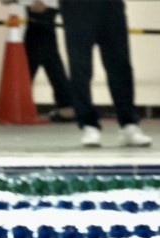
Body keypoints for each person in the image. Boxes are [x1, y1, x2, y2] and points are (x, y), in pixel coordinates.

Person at [58, 0, 151, 148]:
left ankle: (128, 123)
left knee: (120, 65)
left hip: (110, 5)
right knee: (80, 67)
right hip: (76, 7)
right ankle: (89, 124)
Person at [14, 0, 74, 122]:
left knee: (35, 70)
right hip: (42, 31)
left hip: (40, 32)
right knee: (52, 70)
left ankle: (19, 108)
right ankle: (66, 109)